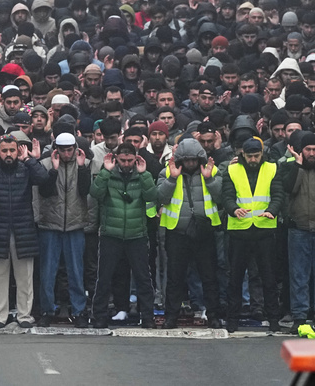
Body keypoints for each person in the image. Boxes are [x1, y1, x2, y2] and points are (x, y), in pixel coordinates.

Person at [0, 134, 48, 328]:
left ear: (18, 151)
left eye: (12, 150)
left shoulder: (26, 169)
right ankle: (0, 316)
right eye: (4, 151)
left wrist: (29, 159)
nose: (8, 154)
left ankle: (24, 316)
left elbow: (43, 178)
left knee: (25, 277)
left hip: (23, 229)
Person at [90, 142, 158, 329]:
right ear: (116, 159)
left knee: (143, 278)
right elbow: (95, 193)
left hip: (136, 234)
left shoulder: (142, 175)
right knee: (104, 278)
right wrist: (105, 171)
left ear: (136, 159)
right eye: (123, 160)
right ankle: (99, 316)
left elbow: (152, 196)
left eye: (130, 160)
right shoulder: (108, 174)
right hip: (111, 234)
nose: (126, 164)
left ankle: (148, 317)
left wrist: (144, 174)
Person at [156, 138, 222, 329]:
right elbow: (159, 197)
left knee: (209, 277)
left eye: (194, 159)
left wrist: (209, 179)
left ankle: (214, 315)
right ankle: (171, 316)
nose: (191, 163)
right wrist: (172, 179)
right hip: (178, 232)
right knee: (175, 277)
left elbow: (221, 197)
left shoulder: (212, 171)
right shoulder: (167, 172)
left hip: (204, 230)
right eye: (187, 160)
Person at [222, 137, 284, 333]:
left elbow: (278, 194)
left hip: (264, 229)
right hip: (240, 230)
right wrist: (233, 209)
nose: (253, 159)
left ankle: (273, 318)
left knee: (269, 278)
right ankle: (232, 319)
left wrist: (272, 210)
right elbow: (227, 196)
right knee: (235, 278)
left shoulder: (272, 168)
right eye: (250, 156)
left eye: (256, 156)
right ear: (243, 154)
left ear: (262, 153)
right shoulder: (232, 170)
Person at [36, 132, 91, 328]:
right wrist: (54, 170)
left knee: (76, 271)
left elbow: (85, 191)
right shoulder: (45, 164)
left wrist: (82, 168)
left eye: (70, 150)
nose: (67, 154)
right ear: (56, 149)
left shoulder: (84, 164)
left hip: (75, 223)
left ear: (75, 149)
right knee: (48, 271)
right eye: (63, 150)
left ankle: (79, 311)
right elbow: (44, 192)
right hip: (50, 223)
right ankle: (47, 310)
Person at [280, 131, 315, 333]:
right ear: (301, 150)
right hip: (299, 229)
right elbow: (290, 188)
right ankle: (300, 316)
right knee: (299, 276)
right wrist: (299, 166)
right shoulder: (289, 167)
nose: (312, 153)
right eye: (308, 149)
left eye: (314, 150)